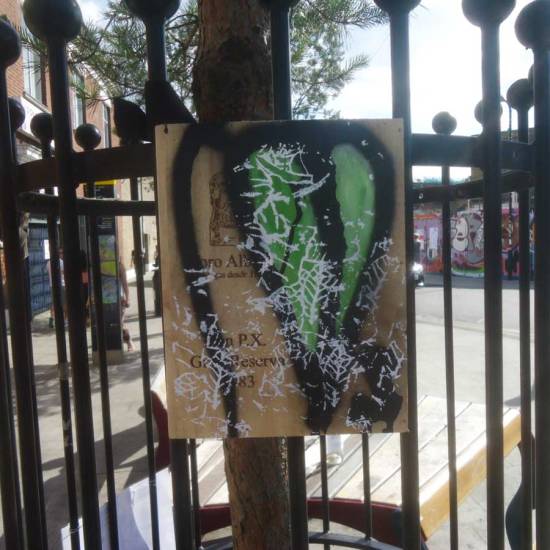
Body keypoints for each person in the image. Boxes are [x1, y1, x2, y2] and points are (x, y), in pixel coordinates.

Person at [119, 259, 134, 352]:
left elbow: (125, 284)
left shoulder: (119, 266)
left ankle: (129, 342)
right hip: (104, 298)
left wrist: (127, 298)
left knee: (120, 323)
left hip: (119, 298)